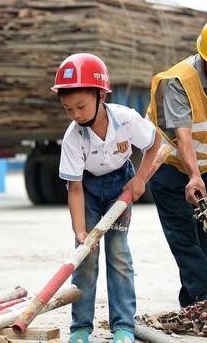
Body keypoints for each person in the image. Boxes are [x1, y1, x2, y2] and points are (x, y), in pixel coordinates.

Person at [55, 53, 161, 343]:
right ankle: (80, 327)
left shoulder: (125, 120)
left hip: (119, 186)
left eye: (80, 106)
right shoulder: (72, 138)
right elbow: (74, 188)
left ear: (101, 95)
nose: (75, 114)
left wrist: (139, 178)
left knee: (118, 254)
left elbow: (155, 144)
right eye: (68, 109)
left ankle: (123, 326)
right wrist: (80, 232)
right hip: (87, 191)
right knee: (85, 258)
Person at [146, 16, 207, 309]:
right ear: (202, 53)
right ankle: (206, 290)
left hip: (202, 167)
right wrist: (193, 175)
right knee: (182, 232)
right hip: (167, 165)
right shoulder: (179, 82)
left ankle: (192, 302)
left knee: (203, 234)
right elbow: (183, 134)